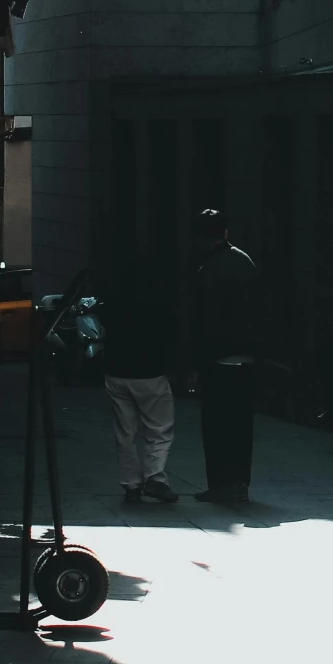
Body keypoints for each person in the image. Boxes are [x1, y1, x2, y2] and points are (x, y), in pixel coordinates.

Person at [189, 208, 258, 507]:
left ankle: (220, 484)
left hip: (217, 359)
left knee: (217, 426)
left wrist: (194, 363)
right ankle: (240, 484)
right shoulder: (245, 261)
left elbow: (203, 322)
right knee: (241, 426)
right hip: (247, 359)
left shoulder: (208, 269)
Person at [102, 261, 178, 506]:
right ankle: (154, 477)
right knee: (159, 428)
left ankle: (131, 486)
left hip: (116, 371)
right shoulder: (157, 301)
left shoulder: (113, 300)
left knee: (125, 432)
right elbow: (169, 333)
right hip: (149, 372)